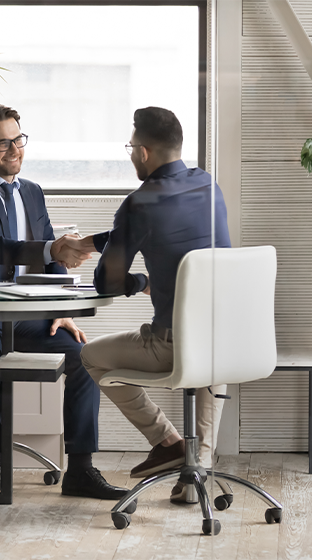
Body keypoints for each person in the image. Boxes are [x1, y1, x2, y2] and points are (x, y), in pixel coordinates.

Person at [0, 103, 129, 500]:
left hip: (24, 318)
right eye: (2, 143)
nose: (14, 150)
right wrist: (53, 248)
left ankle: (81, 470)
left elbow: (51, 259)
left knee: (84, 357)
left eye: (18, 140)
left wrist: (63, 310)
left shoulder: (33, 193)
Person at [69, 106, 231, 502]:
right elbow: (162, 227)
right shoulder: (208, 185)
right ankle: (198, 473)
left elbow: (106, 282)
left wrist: (143, 282)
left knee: (89, 355)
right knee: (211, 353)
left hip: (173, 345)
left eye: (130, 147)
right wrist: (93, 241)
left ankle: (167, 441)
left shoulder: (140, 202)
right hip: (230, 341)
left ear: (142, 152)